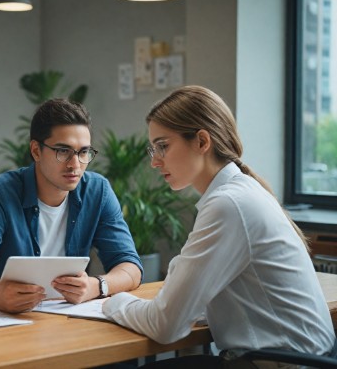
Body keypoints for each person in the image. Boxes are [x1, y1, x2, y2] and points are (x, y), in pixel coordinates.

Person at [102, 85, 336, 367]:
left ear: (202, 141)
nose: (154, 161)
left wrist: (113, 302)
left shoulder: (228, 204)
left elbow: (166, 325)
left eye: (163, 146)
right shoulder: (241, 192)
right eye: (153, 149)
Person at [0, 98, 143, 314]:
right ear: (36, 151)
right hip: (9, 320)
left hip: (69, 319)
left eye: (83, 152)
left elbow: (130, 267)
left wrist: (97, 285)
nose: (75, 164)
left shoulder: (97, 191)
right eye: (63, 151)